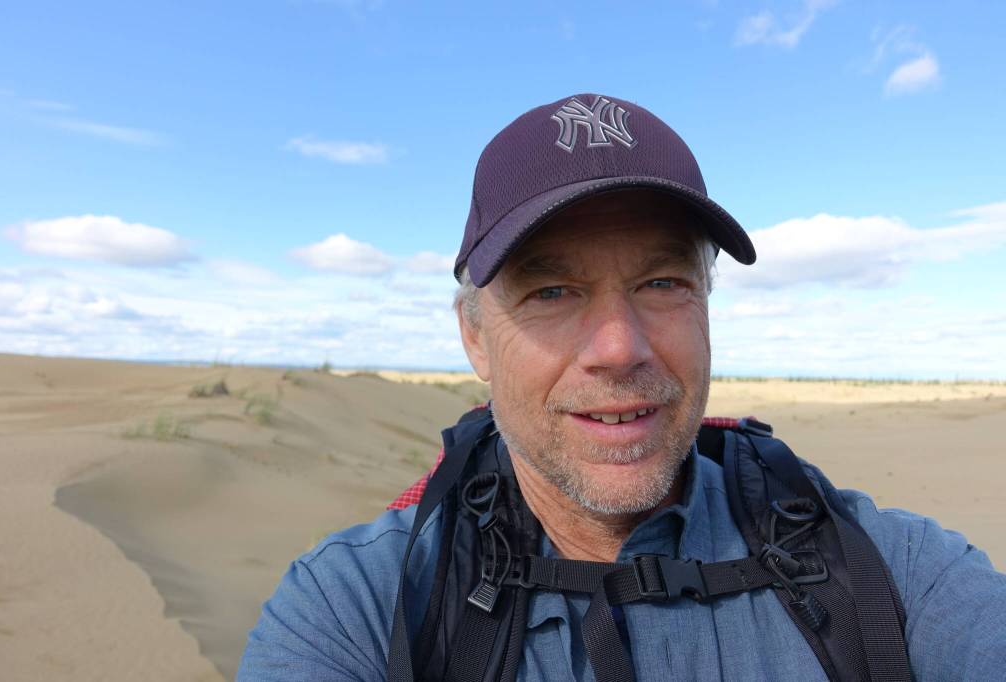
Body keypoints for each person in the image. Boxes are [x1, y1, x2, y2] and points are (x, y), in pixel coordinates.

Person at [237, 94, 1006, 681]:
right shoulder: (358, 606)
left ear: (707, 304)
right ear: (475, 336)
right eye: (551, 292)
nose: (619, 348)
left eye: (664, 282)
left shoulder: (890, 574)